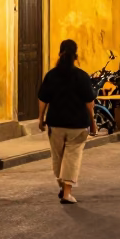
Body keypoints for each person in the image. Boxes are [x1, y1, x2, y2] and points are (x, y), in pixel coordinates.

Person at [38, 39, 97, 204]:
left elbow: (43, 99)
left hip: (55, 124)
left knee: (58, 158)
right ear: (76, 55)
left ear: (60, 53)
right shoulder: (82, 76)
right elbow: (89, 103)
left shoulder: (51, 75)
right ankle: (66, 193)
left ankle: (63, 186)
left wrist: (41, 118)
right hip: (78, 125)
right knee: (72, 157)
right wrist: (93, 123)